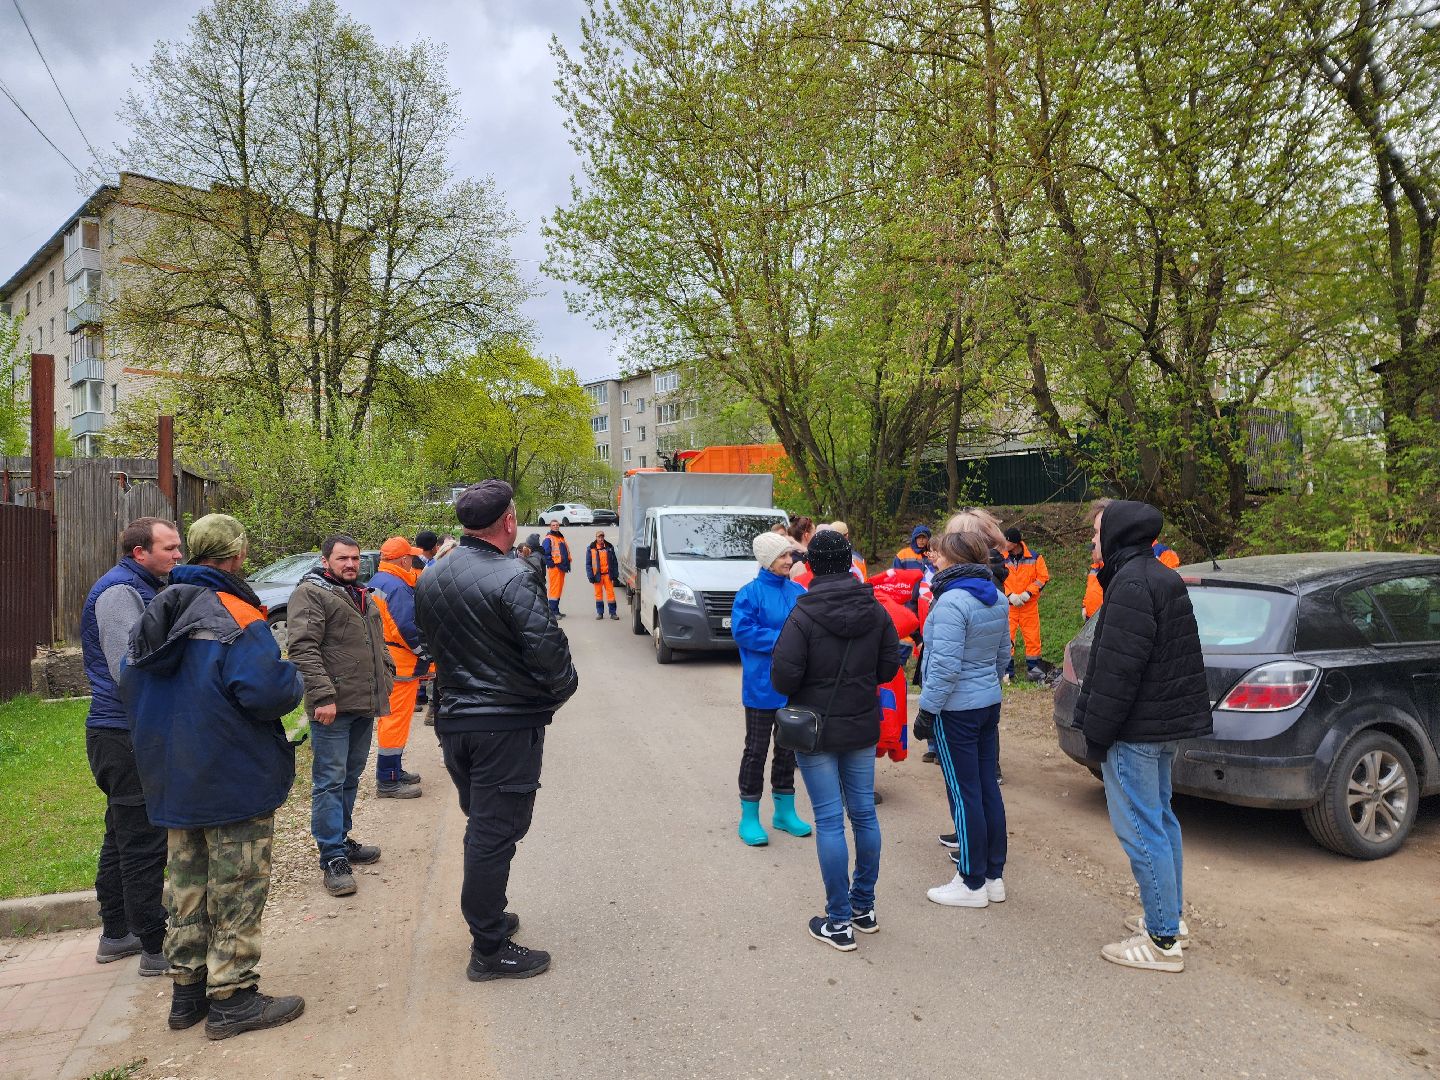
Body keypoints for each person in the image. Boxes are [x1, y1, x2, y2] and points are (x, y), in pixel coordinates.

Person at [120, 513, 305, 1039]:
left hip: (172, 774)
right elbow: (268, 693)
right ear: (237, 556)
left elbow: (125, 680)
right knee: (237, 886)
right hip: (231, 774)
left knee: (186, 886)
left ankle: (187, 994)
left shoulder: (155, 610)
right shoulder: (236, 613)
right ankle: (234, 1000)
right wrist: (288, 670)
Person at [414, 480, 578, 982]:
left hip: (456, 722)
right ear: (509, 521)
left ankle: (491, 918)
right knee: (494, 831)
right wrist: (554, 694)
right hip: (502, 725)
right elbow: (549, 652)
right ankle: (488, 946)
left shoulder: (432, 576)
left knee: (486, 824)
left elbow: (429, 644)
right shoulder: (514, 575)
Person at [1074, 500, 1212, 973]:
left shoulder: (1132, 583)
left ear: (1115, 534)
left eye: (1096, 533)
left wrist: (1095, 736)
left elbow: (1117, 673)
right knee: (1161, 821)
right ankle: (1170, 920)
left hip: (1135, 731)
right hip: (1159, 727)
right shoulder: (1158, 575)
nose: (1092, 541)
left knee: (1141, 829)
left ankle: (1161, 941)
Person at [771, 530, 900, 952]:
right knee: (863, 814)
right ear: (848, 563)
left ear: (813, 566)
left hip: (816, 729)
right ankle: (864, 907)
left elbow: (783, 678)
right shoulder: (876, 610)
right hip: (861, 726)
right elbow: (885, 671)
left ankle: (839, 920)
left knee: (829, 820)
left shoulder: (802, 615)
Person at [81, 516, 183, 975]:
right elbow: (130, 668)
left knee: (120, 832)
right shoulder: (120, 592)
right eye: (169, 548)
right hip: (122, 734)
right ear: (139, 552)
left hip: (122, 732)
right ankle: (154, 947)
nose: (177, 555)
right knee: (142, 839)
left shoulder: (144, 585)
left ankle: (116, 933)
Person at [288, 534, 397, 897]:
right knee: (330, 781)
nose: (350, 564)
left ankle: (342, 838)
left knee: (350, 777)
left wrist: (388, 671)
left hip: (363, 703)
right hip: (332, 707)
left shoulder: (360, 593)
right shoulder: (312, 593)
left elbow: (376, 642)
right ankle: (332, 857)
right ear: (326, 560)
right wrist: (321, 695)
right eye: (342, 559)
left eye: (354, 558)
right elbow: (303, 647)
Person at [913, 531, 1011, 908]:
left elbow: (943, 666)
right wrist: (985, 681)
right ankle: (992, 876)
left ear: (956, 560)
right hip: (986, 703)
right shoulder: (997, 597)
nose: (933, 558)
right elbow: (1003, 655)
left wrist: (926, 711)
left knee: (964, 791)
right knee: (987, 788)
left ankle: (970, 882)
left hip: (956, 710)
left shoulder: (952, 601)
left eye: (940, 555)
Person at [730, 531, 812, 847]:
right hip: (762, 686)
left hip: (795, 685)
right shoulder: (748, 595)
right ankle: (749, 816)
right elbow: (744, 632)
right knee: (756, 750)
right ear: (766, 559)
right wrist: (787, 639)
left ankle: (784, 812)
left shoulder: (799, 591)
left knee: (788, 748)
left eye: (790, 556)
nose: (789, 561)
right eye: (782, 556)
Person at [368, 537, 431, 798]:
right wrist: (425, 653)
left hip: (388, 660)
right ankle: (388, 779)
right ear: (403, 560)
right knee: (394, 721)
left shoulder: (378, 581)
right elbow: (407, 628)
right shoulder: (397, 586)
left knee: (394, 719)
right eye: (410, 557)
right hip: (400, 664)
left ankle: (393, 769)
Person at [1082, 500, 1183, 620]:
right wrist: (1085, 607)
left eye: (1098, 532)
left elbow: (1167, 596)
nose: (1093, 540)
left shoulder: (1159, 556)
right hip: (1093, 623)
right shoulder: (1107, 564)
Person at [1001, 526, 1049, 681]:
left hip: (1029, 606)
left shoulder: (1035, 557)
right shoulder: (1001, 558)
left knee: (1033, 639)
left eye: (1006, 540)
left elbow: (1043, 577)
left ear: (1014, 543)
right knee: (1007, 639)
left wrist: (1028, 593)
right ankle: (1007, 673)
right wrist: (1009, 595)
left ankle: (1034, 672)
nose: (1004, 543)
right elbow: (998, 579)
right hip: (1010, 607)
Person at [586, 530, 622, 620]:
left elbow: (614, 562)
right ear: (596, 538)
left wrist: (615, 573)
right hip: (597, 576)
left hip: (607, 575)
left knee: (611, 594)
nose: (601, 539)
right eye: (599, 537)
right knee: (598, 595)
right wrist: (590, 576)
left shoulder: (609, 547)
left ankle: (613, 613)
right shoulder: (591, 548)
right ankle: (600, 613)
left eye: (602, 537)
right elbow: (588, 564)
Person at [541, 520, 572, 618]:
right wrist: (552, 564)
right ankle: (553, 612)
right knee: (554, 590)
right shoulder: (549, 538)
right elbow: (545, 553)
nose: (556, 526)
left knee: (558, 590)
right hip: (555, 568)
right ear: (550, 527)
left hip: (561, 567)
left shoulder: (560, 537)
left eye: (557, 525)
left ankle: (556, 610)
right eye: (553, 525)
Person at [786, 515, 816, 582]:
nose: (816, 537)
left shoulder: (793, 555)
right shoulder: (799, 562)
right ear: (806, 535)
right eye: (814, 533)